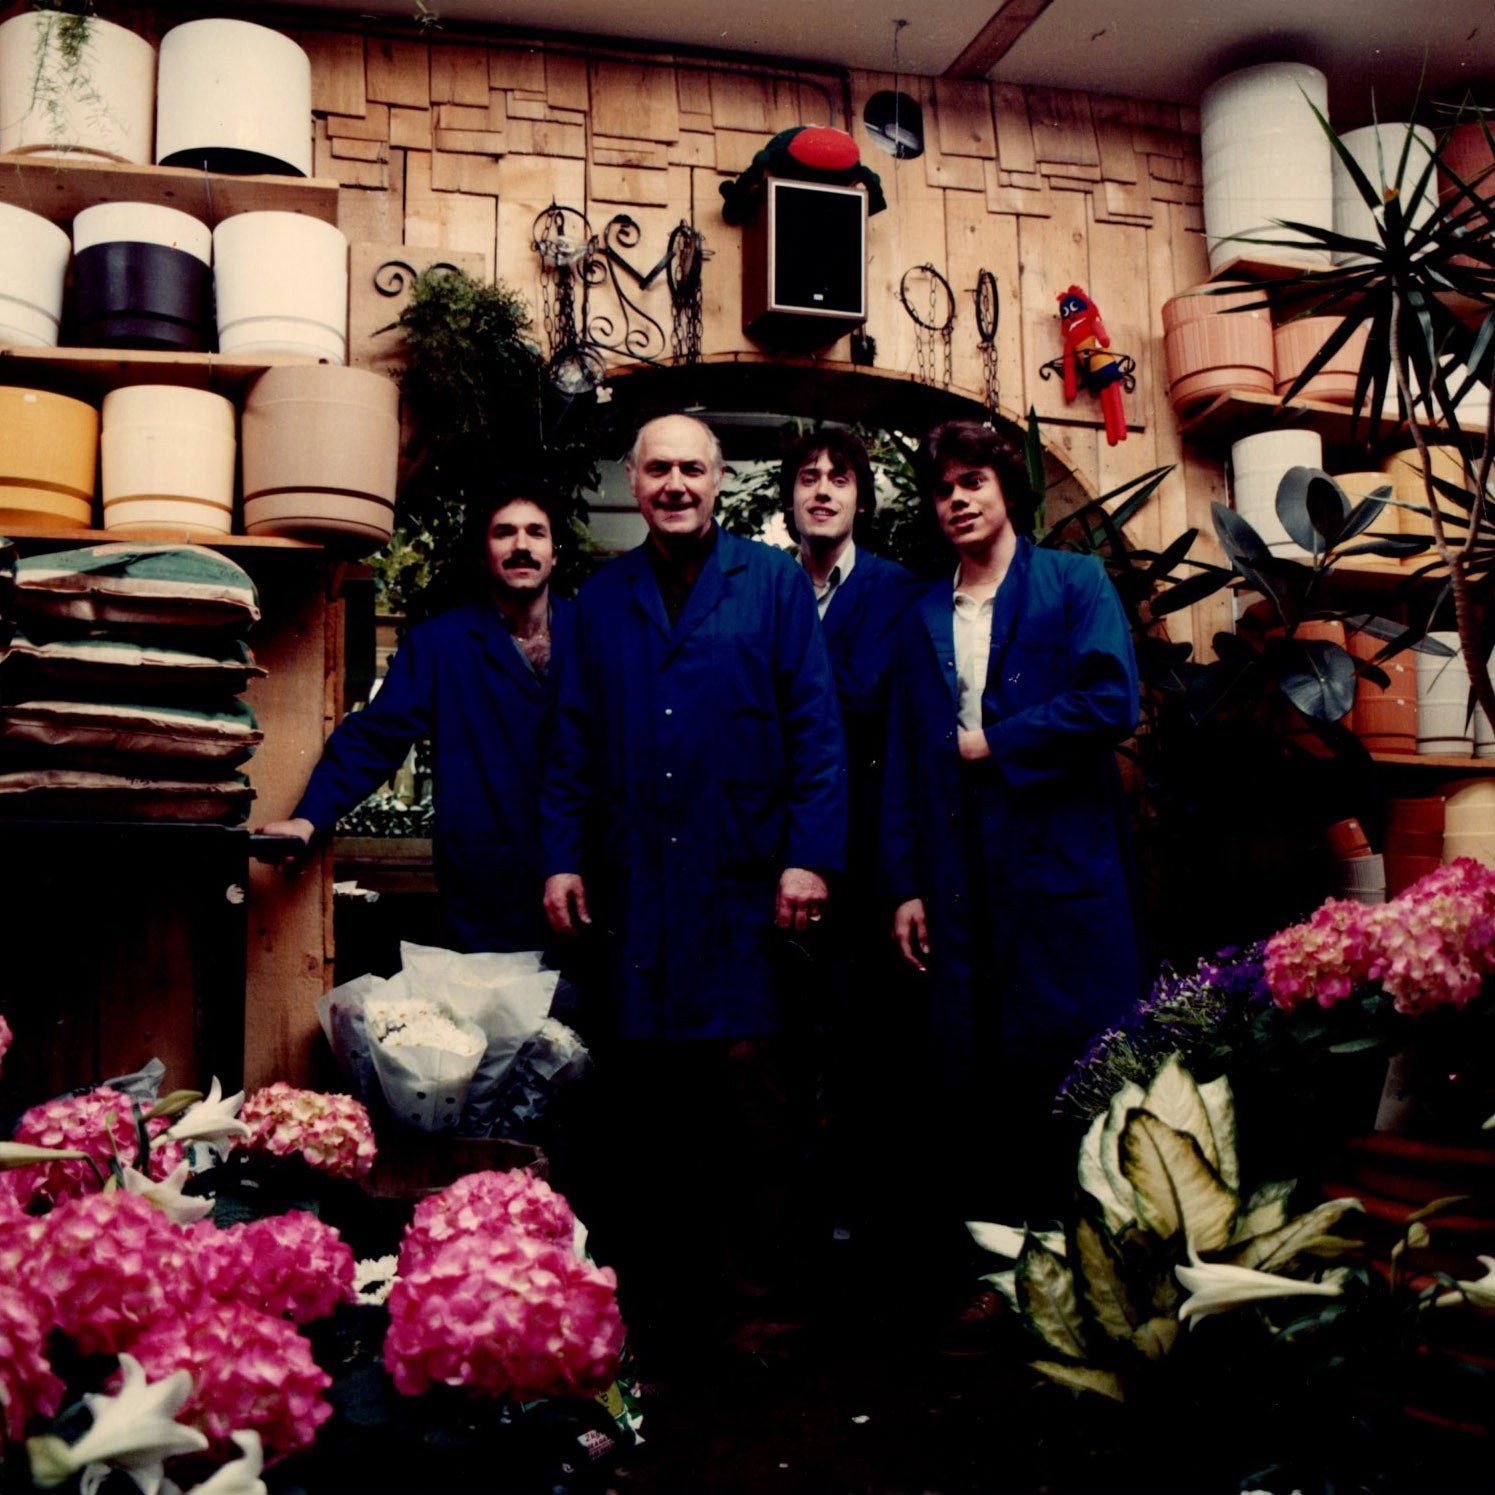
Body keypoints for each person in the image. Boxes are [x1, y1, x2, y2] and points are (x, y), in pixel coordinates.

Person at [542, 413, 846, 1358]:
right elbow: (571, 747)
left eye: (692, 469)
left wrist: (809, 856)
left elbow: (816, 731)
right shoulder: (599, 600)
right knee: (649, 1109)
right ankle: (659, 1309)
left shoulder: (773, 586)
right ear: (633, 484)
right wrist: (560, 855)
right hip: (640, 895)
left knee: (755, 1104)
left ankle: (754, 1302)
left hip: (746, 888)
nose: (675, 484)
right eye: (658, 469)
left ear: (719, 481)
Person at [881, 420, 1146, 1255]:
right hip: (957, 870)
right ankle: (1002, 1275)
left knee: (1075, 1059)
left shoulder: (1073, 581)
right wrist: (904, 885)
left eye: (973, 483)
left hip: (1062, 860)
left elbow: (1111, 700)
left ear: (1006, 490)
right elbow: (898, 758)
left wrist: (994, 741)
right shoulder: (921, 612)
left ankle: (1100, 1263)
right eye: (942, 488)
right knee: (973, 1066)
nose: (956, 500)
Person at [260, 483, 570, 955]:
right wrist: (309, 817)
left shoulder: (596, 638)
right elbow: (376, 738)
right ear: (484, 553)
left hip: (580, 881)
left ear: (554, 553)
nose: (521, 546)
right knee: (482, 1025)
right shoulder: (440, 645)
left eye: (536, 533)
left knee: (584, 1027)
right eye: (504, 533)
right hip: (483, 888)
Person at [781, 427, 920, 1257]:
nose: (823, 490)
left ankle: (864, 1224)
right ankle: (795, 1219)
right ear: (789, 497)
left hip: (868, 853)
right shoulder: (769, 587)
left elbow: (875, 704)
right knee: (789, 1042)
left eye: (838, 477)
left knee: (868, 1041)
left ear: (860, 496)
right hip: (785, 854)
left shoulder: (898, 591)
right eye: (807, 477)